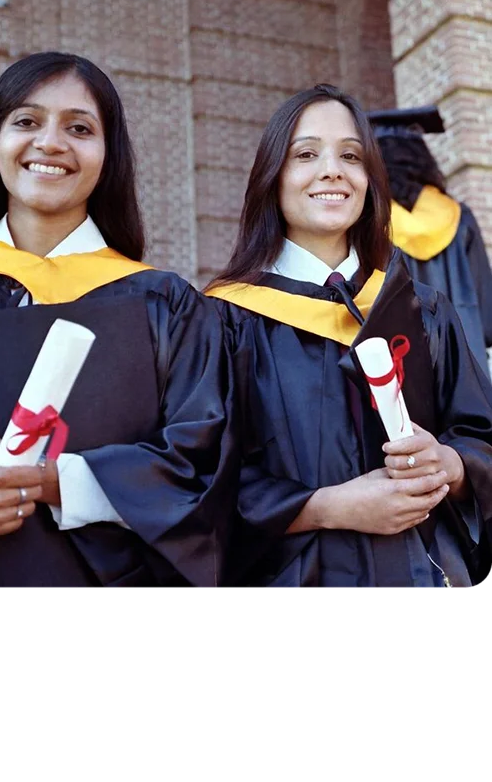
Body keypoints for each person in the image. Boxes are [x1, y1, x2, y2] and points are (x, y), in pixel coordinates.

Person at [0, 51, 235, 591]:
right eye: (27, 121)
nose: (51, 143)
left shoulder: (166, 306)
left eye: (79, 128)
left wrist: (41, 477)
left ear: (109, 155)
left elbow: (203, 473)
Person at [207, 85, 492, 589]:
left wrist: (449, 464)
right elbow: (198, 477)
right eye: (306, 154)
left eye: (351, 155)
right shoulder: (224, 320)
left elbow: (482, 437)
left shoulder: (423, 311)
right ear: (272, 176)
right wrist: (325, 508)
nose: (333, 169)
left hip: (430, 582)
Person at [370, 105, 492, 374]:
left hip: (400, 352)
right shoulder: (458, 216)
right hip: (465, 354)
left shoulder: (373, 221)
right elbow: (486, 304)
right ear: (422, 159)